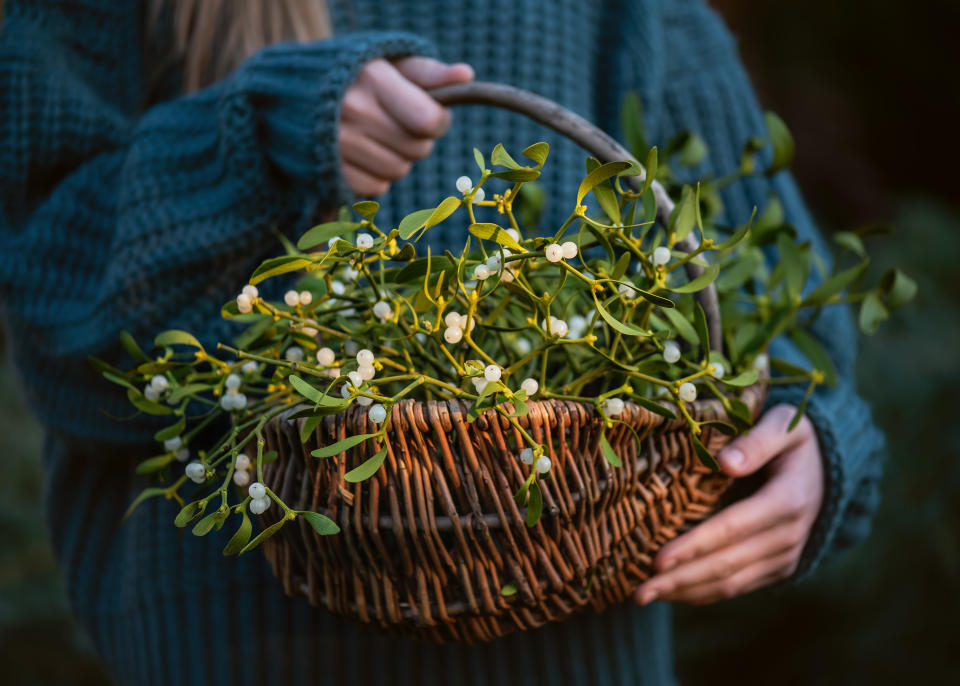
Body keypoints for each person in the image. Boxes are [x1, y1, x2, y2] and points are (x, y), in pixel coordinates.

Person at [0, 0, 884, 684]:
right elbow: (55, 311)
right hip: (234, 650)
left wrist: (806, 453)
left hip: (571, 658)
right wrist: (252, 146)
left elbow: (782, 327)